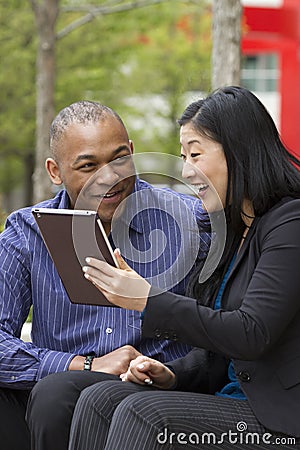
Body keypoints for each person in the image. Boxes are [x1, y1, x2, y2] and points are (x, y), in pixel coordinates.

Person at [68, 86, 300, 450]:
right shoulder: (234, 230)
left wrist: (148, 300)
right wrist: (171, 374)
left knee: (143, 413)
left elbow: (250, 333)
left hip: (278, 421)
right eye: (182, 157)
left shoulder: (291, 223)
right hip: (234, 402)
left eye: (195, 154)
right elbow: (220, 354)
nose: (187, 172)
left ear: (239, 152)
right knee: (99, 400)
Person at [0, 101, 210, 450]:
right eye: (88, 166)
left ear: (131, 151)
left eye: (119, 159)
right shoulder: (26, 233)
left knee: (55, 397)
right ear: (55, 171)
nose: (110, 177)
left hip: (153, 390)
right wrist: (82, 364)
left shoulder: (191, 221)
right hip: (59, 393)